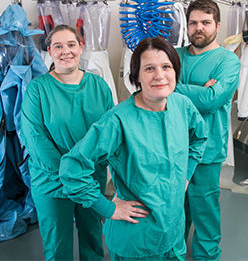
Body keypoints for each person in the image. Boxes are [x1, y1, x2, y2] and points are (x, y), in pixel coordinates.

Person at [59, 37, 208, 260]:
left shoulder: (181, 105)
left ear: (175, 71)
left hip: (173, 232)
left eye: (166, 66)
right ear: (136, 75)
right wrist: (108, 208)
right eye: (149, 68)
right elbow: (72, 168)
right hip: (137, 237)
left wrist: (185, 175)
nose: (159, 75)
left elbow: (199, 137)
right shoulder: (118, 121)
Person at [20, 25, 114, 261]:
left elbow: (110, 132)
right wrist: (69, 173)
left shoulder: (98, 86)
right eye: (58, 46)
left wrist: (87, 173)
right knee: (57, 245)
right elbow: (35, 139)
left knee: (93, 240)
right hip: (52, 181)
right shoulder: (37, 90)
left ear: (81, 47)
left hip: (90, 177)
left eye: (71, 45)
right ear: (49, 51)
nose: (66, 51)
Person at [175, 0, 241, 260]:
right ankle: (174, 251)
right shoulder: (175, 55)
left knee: (205, 208)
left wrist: (175, 88)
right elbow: (158, 91)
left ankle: (207, 255)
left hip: (207, 148)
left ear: (218, 26)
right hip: (175, 145)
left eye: (205, 22)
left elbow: (213, 99)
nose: (198, 28)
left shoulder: (228, 60)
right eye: (193, 23)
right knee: (176, 208)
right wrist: (201, 91)